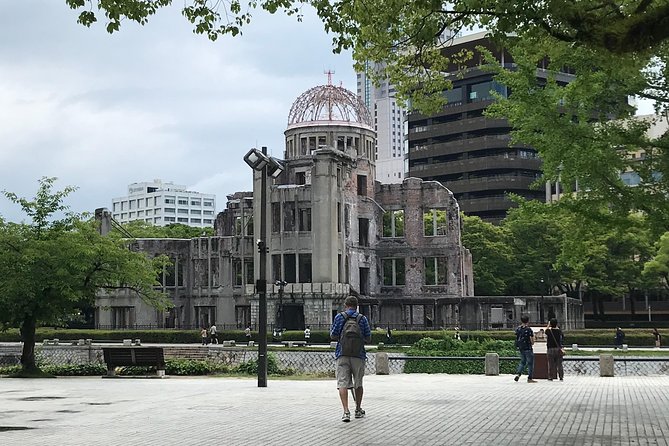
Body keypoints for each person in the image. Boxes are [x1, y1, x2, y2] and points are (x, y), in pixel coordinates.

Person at [330, 296, 372, 422]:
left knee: (342, 383)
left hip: (342, 353)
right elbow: (368, 337)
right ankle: (358, 409)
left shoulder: (339, 317)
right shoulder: (362, 319)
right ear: (356, 306)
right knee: (358, 383)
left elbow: (333, 335)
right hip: (358, 355)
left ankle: (346, 411)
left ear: (345, 305)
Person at [514, 315, 536, 383]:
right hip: (528, 348)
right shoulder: (528, 329)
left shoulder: (518, 329)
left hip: (521, 347)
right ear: (528, 321)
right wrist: (533, 341)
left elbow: (517, 337)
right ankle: (530, 378)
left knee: (522, 362)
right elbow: (532, 341)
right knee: (530, 363)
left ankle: (518, 374)